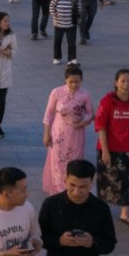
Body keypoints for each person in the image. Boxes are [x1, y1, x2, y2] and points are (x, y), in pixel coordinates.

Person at [95, 69, 129, 227]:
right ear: (116, 82)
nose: (126, 84)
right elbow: (101, 127)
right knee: (106, 182)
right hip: (109, 150)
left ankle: (125, 214)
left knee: (127, 182)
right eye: (123, 81)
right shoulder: (107, 102)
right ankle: (102, 213)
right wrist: (105, 150)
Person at [42, 65, 93, 196]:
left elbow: (90, 114)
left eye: (77, 82)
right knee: (57, 163)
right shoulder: (56, 92)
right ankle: (58, 192)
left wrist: (81, 123)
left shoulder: (85, 95)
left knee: (74, 162)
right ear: (66, 80)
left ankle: (71, 189)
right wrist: (47, 133)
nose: (74, 84)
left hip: (76, 134)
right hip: (58, 134)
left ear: (81, 81)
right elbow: (49, 114)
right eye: (71, 81)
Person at [49, 0, 81, 66]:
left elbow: (79, 7)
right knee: (58, 41)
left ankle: (72, 58)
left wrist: (79, 17)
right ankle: (57, 57)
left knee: (72, 42)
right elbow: (51, 7)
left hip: (72, 24)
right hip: (59, 24)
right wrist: (55, 16)